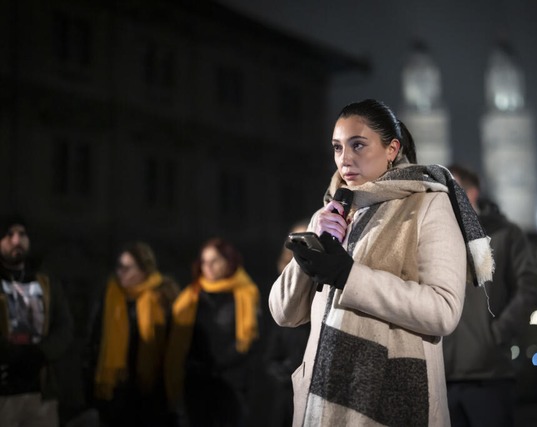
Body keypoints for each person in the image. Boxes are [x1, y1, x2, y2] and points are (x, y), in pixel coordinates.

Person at [269, 99, 494, 426]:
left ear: (392, 149)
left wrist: (350, 277)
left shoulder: (427, 205)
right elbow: (283, 313)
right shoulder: (331, 212)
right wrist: (311, 246)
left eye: (358, 145)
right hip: (326, 399)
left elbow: (443, 311)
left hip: (390, 397)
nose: (344, 160)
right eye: (337, 148)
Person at [443, 164, 537, 427]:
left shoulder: (505, 234)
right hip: (441, 376)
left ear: (472, 193)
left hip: (490, 374)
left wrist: (496, 335)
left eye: (450, 189)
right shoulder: (433, 238)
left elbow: (529, 289)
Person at [165, 237, 260, 427]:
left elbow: (250, 340)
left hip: (231, 383)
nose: (208, 266)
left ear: (229, 261)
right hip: (196, 383)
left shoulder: (244, 293)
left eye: (214, 260)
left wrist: (219, 365)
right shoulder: (190, 297)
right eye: (204, 261)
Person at [90, 241, 179, 427]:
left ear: (144, 270)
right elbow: (96, 337)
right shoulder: (111, 295)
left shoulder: (163, 297)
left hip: (152, 390)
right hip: (116, 389)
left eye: (127, 268)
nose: (120, 272)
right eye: (119, 267)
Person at [0, 214, 73, 427]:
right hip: (4, 392)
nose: (16, 240)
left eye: (22, 234)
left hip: (41, 393)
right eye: (9, 234)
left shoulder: (45, 281)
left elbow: (64, 326)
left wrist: (41, 353)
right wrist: (13, 355)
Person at [265, 220, 312, 427]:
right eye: (296, 239)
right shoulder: (281, 281)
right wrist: (282, 371)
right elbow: (271, 349)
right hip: (286, 385)